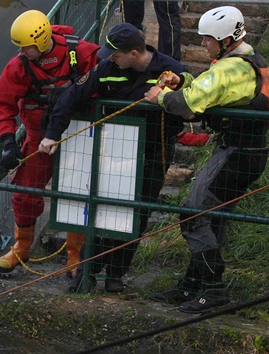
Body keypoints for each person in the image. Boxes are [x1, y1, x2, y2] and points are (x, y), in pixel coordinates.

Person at [144, 5, 269, 313]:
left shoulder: (230, 68)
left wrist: (161, 96)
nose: (204, 44)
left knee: (193, 213)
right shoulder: (247, 59)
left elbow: (188, 106)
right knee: (211, 217)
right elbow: (211, 90)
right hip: (247, 151)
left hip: (237, 151)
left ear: (226, 39)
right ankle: (194, 285)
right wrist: (184, 81)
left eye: (208, 40)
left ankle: (213, 288)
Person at [38, 23, 187, 293]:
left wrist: (170, 94)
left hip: (154, 152)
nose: (110, 58)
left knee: (138, 214)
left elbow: (193, 99)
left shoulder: (171, 70)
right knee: (103, 209)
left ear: (133, 53)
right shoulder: (106, 68)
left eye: (115, 54)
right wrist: (52, 134)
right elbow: (71, 97)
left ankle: (117, 274)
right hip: (114, 151)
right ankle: (87, 271)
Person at [0, 9, 100, 275]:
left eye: (26, 47)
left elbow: (105, 80)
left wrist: (75, 93)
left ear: (39, 41)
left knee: (77, 193)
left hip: (78, 135)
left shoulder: (81, 53)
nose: (21, 53)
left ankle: (75, 254)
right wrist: (8, 142)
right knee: (25, 191)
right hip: (38, 138)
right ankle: (22, 245)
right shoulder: (19, 66)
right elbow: (3, 104)